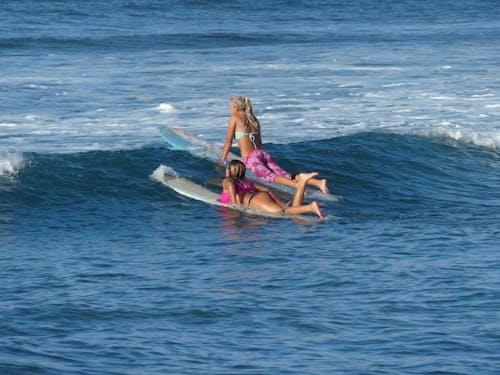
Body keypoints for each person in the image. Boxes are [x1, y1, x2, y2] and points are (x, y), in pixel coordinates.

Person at [219, 95, 329, 194]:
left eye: (231, 107)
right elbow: (259, 142)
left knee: (272, 178)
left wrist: (222, 159)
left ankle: (298, 186)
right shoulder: (253, 119)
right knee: (286, 175)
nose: (231, 110)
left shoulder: (235, 116)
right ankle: (317, 183)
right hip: (262, 154)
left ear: (236, 107)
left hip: (251, 159)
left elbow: (228, 142)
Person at [218, 160, 324, 218]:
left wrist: (235, 204)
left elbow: (231, 187)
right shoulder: (246, 180)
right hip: (264, 194)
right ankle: (302, 182)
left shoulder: (227, 180)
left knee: (285, 212)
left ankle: (311, 207)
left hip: (255, 200)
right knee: (292, 208)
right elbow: (265, 189)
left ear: (229, 170)